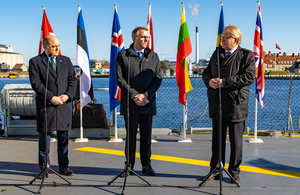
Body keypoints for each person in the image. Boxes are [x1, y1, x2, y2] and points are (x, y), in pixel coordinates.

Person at [202, 25, 255, 184]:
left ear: (236, 40)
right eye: (222, 38)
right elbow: (206, 72)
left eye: (225, 38)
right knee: (217, 140)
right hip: (217, 103)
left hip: (236, 105)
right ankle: (216, 170)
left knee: (236, 141)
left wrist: (224, 82)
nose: (222, 40)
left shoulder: (246, 55)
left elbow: (249, 77)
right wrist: (209, 81)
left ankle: (234, 172)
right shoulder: (217, 53)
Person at [115, 26, 162, 176]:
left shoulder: (153, 56)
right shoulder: (123, 55)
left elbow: (158, 78)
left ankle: (146, 165)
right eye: (143, 37)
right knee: (130, 137)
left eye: (147, 37)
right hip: (130, 103)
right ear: (134, 38)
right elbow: (119, 78)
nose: (146, 39)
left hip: (148, 103)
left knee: (146, 137)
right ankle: (128, 166)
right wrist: (135, 95)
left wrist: (146, 95)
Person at [29, 35, 77, 177]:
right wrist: (51, 97)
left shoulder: (66, 61)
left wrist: (67, 95)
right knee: (45, 140)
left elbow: (73, 80)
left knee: (64, 139)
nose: (57, 48)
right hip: (46, 106)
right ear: (45, 47)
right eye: (54, 46)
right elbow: (36, 84)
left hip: (64, 105)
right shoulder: (35, 62)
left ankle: (64, 167)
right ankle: (44, 168)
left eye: (58, 45)